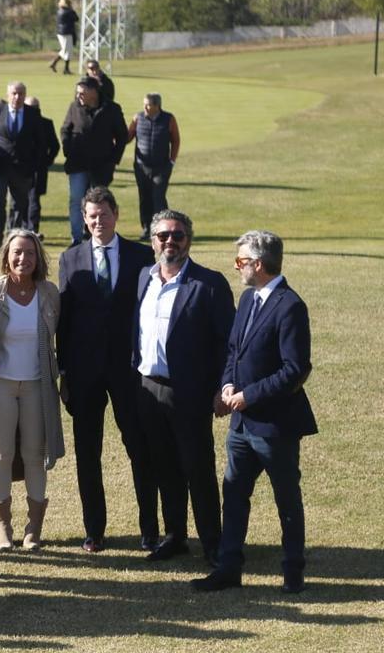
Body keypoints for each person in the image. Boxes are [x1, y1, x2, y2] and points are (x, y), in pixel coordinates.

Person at [193, 231, 316, 594]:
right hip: (241, 424)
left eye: (240, 262)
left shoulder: (291, 306)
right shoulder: (248, 299)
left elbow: (296, 369)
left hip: (275, 426)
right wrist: (228, 385)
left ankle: (293, 573)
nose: (237, 269)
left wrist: (249, 395)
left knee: (286, 500)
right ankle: (229, 567)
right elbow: (234, 350)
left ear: (258, 264)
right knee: (233, 495)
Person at [57, 187, 159, 554]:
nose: (98, 222)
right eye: (91, 216)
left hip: (129, 371)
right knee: (88, 453)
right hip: (84, 375)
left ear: (116, 214)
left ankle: (150, 529)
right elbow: (64, 321)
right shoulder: (70, 259)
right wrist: (64, 372)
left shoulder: (142, 256)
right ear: (84, 219)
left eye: (104, 214)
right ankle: (94, 531)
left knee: (140, 448)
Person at [134, 210, 234, 567]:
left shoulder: (209, 284)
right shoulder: (145, 278)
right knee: (163, 467)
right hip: (148, 388)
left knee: (197, 469)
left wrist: (221, 387)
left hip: (189, 392)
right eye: (163, 236)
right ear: (153, 240)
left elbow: (228, 342)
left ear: (188, 239)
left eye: (177, 235)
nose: (170, 241)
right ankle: (175, 535)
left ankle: (212, 542)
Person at [0, 230, 65, 551]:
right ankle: (3, 528)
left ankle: (33, 529)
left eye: (30, 253)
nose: (23, 259)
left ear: (39, 258)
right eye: (17, 253)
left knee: (35, 455)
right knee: (1, 453)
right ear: (6, 257)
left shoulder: (49, 293)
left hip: (37, 385)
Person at [61, 77, 129, 246]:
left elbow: (122, 136)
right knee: (76, 199)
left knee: (99, 203)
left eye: (82, 93)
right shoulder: (74, 107)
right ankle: (76, 238)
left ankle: (96, 237)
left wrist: (114, 159)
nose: (79, 96)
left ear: (94, 92)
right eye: (77, 93)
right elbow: (65, 130)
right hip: (77, 163)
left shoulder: (112, 109)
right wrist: (68, 151)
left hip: (101, 165)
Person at [0, 82, 43, 249]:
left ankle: (12, 241)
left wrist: (34, 165)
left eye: (21, 93)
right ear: (8, 95)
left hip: (22, 169)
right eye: (14, 93)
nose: (17, 97)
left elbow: (40, 142)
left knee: (19, 205)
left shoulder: (33, 114)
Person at [127, 93, 181, 241]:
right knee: (144, 197)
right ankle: (146, 228)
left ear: (157, 106)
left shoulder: (169, 119)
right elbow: (128, 136)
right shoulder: (138, 118)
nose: (144, 107)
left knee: (158, 197)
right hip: (141, 166)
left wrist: (172, 161)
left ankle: (164, 228)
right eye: (144, 104)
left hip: (162, 167)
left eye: (148, 105)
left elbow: (176, 140)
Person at [25, 96, 60, 237]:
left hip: (30, 168)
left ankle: (30, 229)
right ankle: (31, 229)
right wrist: (47, 161)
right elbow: (55, 146)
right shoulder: (46, 123)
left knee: (30, 200)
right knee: (32, 200)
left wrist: (46, 162)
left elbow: (55, 146)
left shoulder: (26, 122)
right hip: (37, 168)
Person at [50, 0, 79, 74]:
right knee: (66, 50)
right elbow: (76, 18)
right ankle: (55, 63)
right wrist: (72, 10)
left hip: (61, 32)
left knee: (67, 51)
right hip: (67, 32)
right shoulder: (68, 12)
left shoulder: (59, 11)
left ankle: (64, 68)